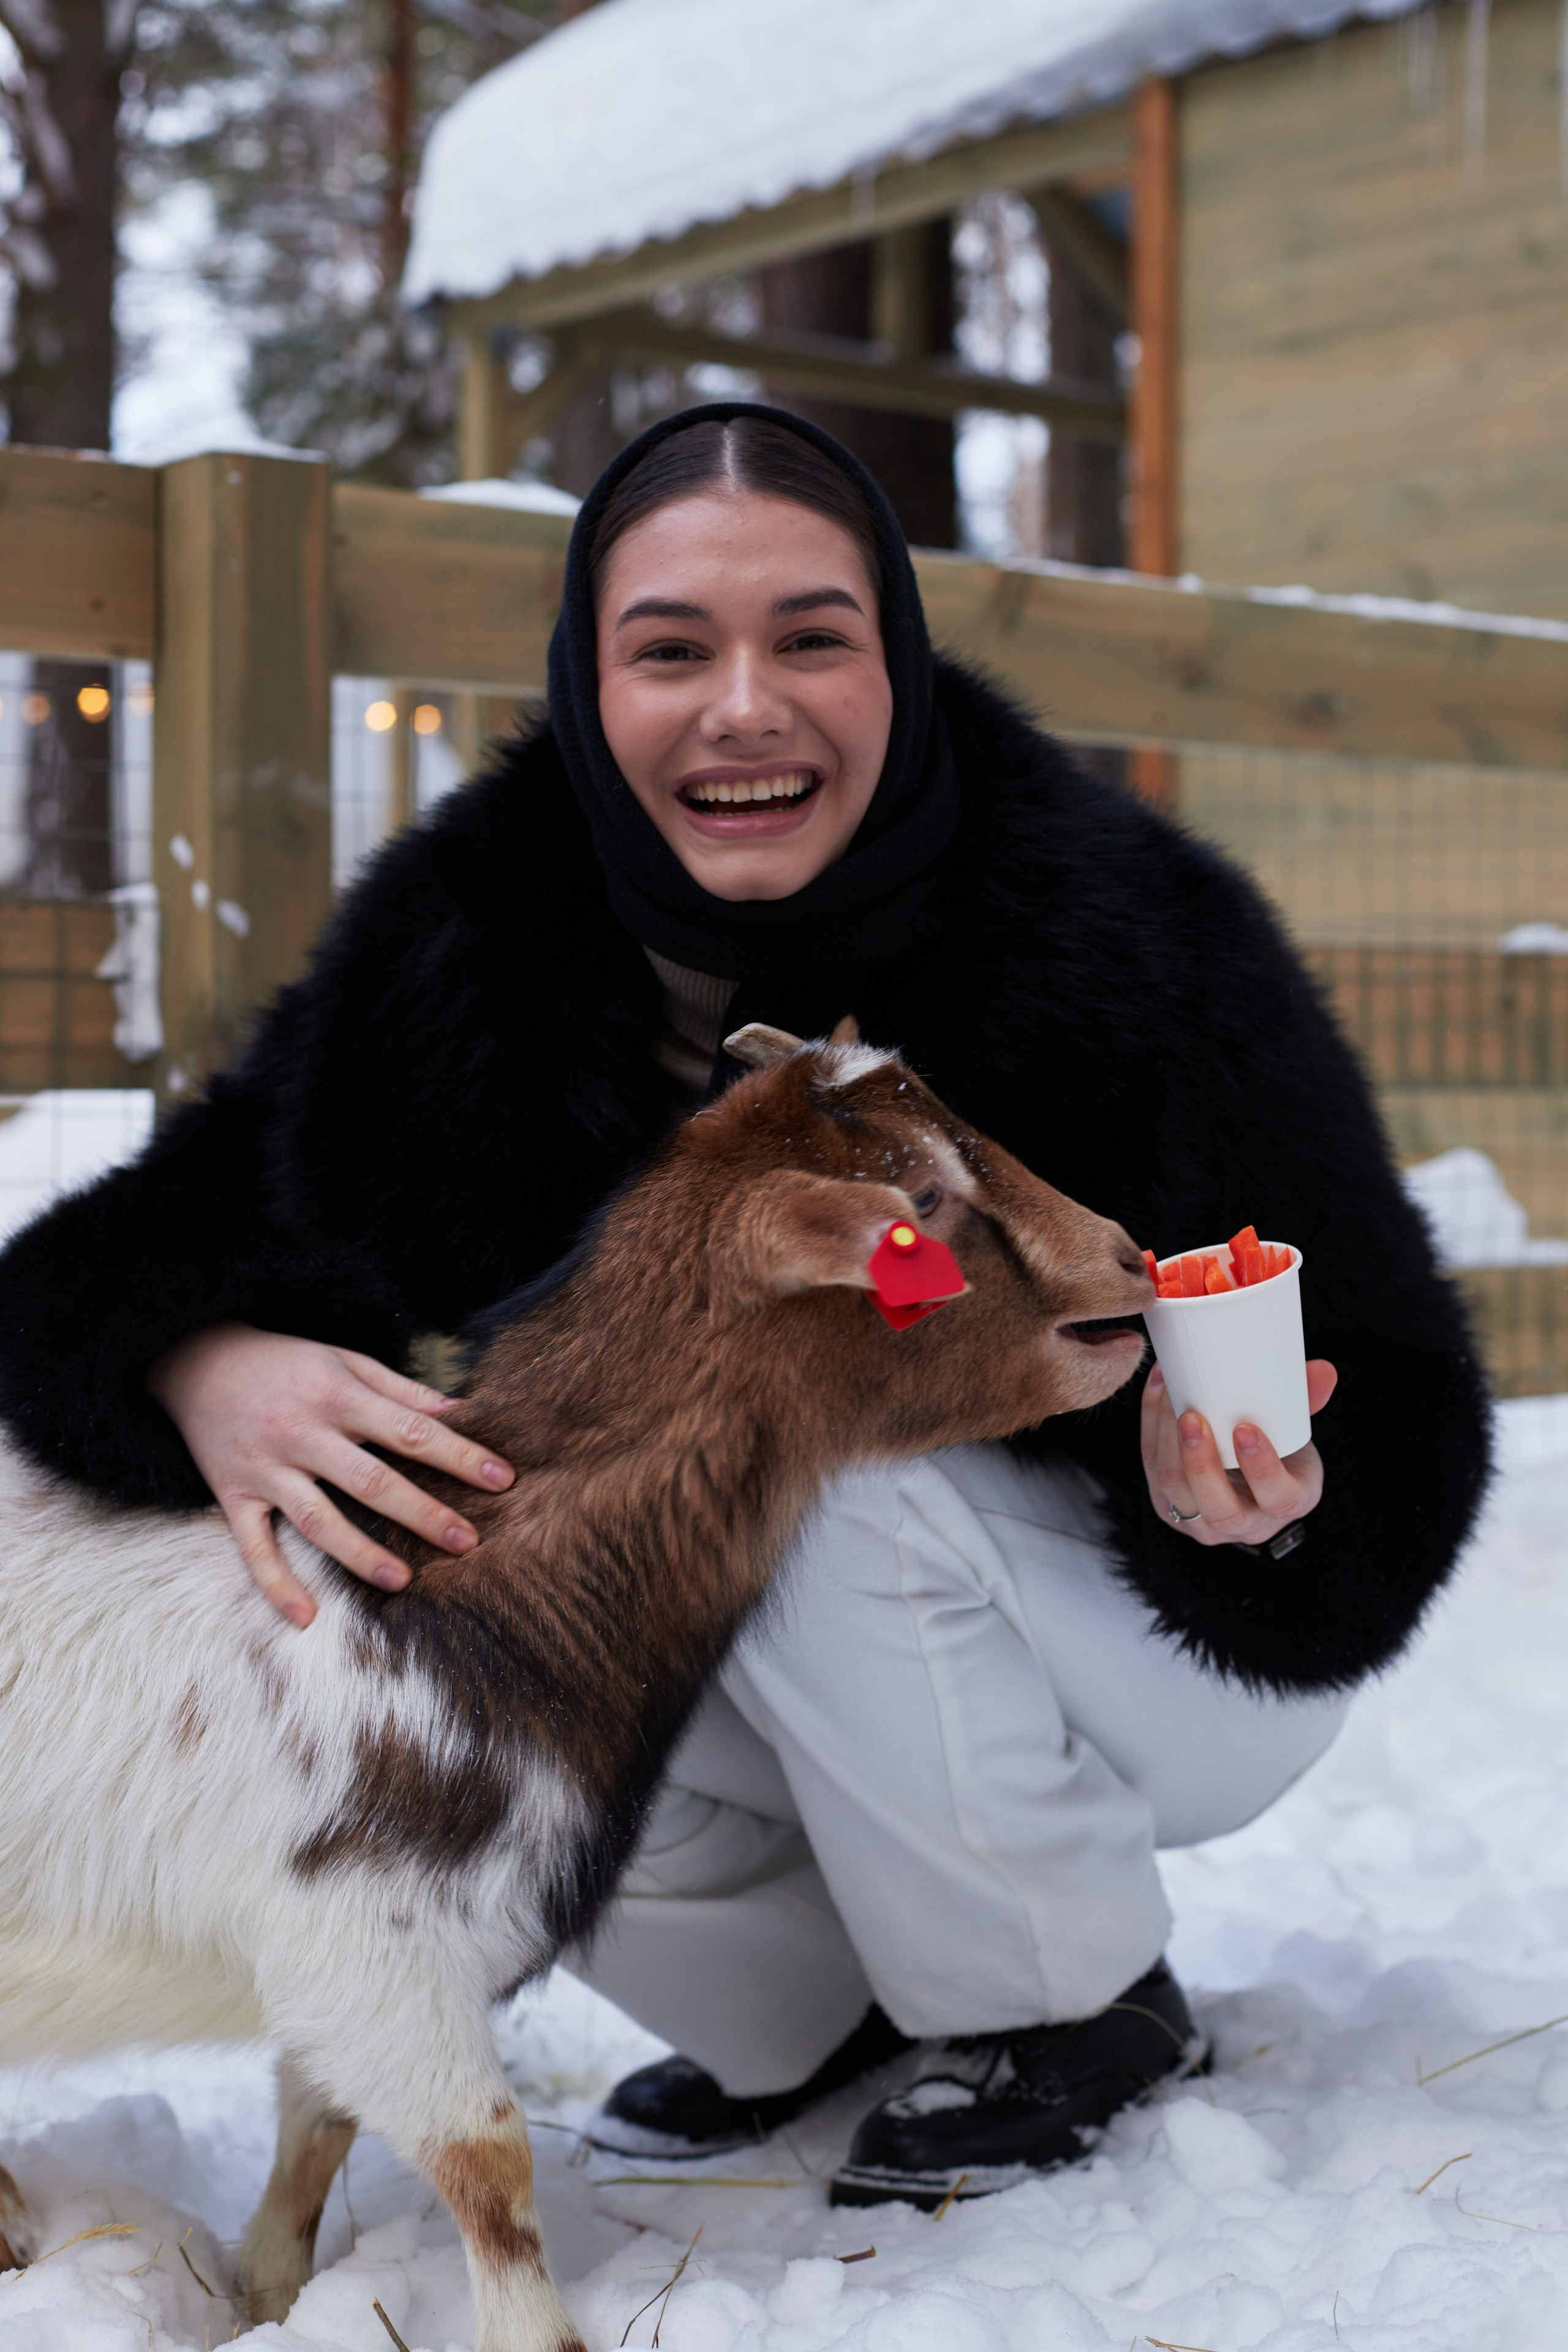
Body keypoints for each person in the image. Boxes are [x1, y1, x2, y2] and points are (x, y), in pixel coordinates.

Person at [0, 404, 1488, 2213]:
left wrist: (1251, 1493)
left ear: (898, 662)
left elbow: (1393, 1366)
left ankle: (1064, 2004)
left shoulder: (1122, 928)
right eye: (671, 650)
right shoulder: (469, 946)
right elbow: (149, 1241)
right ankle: (807, 2023)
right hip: (798, 1650)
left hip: (1156, 1651)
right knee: (478, 1601)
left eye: (811, 638)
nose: (742, 706)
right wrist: (201, 1356)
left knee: (792, 1421)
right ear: (588, 677)